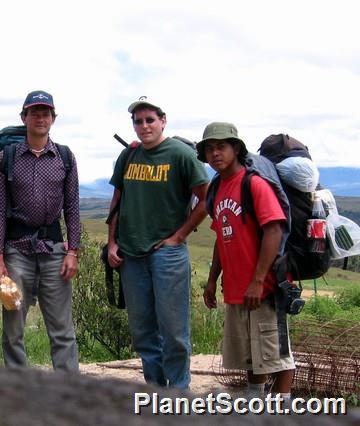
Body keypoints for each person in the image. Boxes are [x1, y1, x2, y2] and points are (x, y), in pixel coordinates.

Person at [107, 96, 209, 388]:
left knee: (174, 330)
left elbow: (206, 199)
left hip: (167, 254)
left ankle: (178, 393)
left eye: (150, 120)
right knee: (143, 332)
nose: (144, 126)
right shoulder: (129, 156)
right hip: (131, 253)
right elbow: (117, 200)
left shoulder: (180, 154)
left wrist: (179, 236)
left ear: (163, 121)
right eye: (138, 121)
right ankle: (155, 389)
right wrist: (112, 243)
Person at [199, 122, 295, 401]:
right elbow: (221, 235)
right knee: (253, 357)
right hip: (237, 288)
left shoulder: (253, 184)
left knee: (277, 355)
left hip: (265, 287)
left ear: (236, 149)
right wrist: (212, 279)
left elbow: (274, 230)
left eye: (221, 147)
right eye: (209, 148)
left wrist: (257, 280)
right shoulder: (217, 189)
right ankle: (256, 407)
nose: (215, 153)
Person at [0, 90, 80, 373]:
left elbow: (73, 207)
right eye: (34, 113)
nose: (40, 118)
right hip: (16, 252)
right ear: (23, 117)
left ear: (53, 118)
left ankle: (69, 390)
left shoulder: (64, 157)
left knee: (61, 326)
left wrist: (73, 251)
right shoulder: (5, 159)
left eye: (45, 113)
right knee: (13, 325)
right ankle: (19, 386)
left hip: (54, 250)